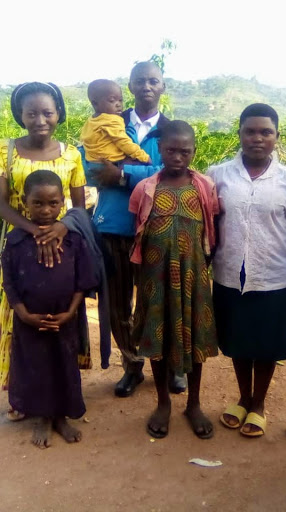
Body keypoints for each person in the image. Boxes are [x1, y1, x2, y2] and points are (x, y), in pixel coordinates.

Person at [81, 61, 188, 397]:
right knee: (117, 305)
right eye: (140, 81)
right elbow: (88, 165)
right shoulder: (106, 121)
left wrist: (123, 174)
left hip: (156, 230)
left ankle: (170, 365)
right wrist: (141, 171)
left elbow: (171, 174)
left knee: (160, 302)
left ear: (163, 86)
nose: (146, 86)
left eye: (153, 81)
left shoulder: (171, 129)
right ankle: (132, 365)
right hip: (112, 227)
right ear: (129, 86)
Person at [207, 103, 286, 437]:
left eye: (266, 132)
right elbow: (211, 225)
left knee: (265, 345)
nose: (257, 138)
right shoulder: (217, 175)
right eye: (250, 131)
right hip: (229, 274)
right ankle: (243, 397)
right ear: (240, 134)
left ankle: (258, 403)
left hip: (273, 277)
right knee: (238, 340)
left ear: (277, 136)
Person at [0, 82, 87, 412]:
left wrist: (60, 228)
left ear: (58, 113)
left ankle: (59, 393)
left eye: (47, 112)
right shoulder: (5, 150)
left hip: (63, 246)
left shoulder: (72, 154)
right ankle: (21, 394)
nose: (40, 120)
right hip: (19, 247)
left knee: (59, 318)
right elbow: (1, 203)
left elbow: (79, 207)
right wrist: (35, 232)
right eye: (31, 113)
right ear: (20, 115)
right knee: (19, 319)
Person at [129, 120, 218, 439]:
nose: (178, 157)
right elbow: (136, 233)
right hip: (155, 277)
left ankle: (194, 404)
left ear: (193, 151)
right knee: (158, 335)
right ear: (160, 149)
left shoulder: (204, 187)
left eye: (185, 151)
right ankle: (163, 403)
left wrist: (203, 266)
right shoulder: (145, 189)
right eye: (171, 150)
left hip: (194, 276)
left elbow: (212, 229)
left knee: (194, 336)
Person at [1, 170, 97, 448]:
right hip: (29, 320)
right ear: (25, 202)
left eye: (53, 203)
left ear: (63, 202)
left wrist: (71, 312)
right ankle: (42, 417)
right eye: (38, 203)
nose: (46, 210)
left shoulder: (73, 239)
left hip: (65, 318)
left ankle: (60, 417)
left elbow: (82, 281)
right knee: (35, 366)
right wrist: (23, 313)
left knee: (64, 365)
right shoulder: (16, 241)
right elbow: (9, 281)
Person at [80, 79, 151, 169]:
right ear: (95, 103)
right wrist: (143, 157)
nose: (118, 104)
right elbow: (124, 142)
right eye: (112, 101)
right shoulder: (112, 120)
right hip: (110, 164)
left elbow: (84, 139)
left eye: (120, 100)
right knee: (140, 167)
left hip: (92, 163)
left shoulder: (91, 120)